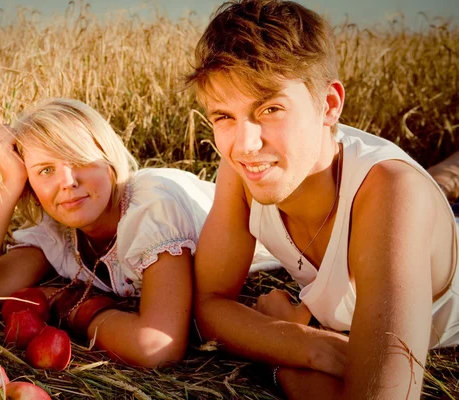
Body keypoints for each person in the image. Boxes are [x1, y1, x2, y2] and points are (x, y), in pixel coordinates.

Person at [186, 1, 459, 399]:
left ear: (329, 105)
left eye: (271, 108)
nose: (244, 145)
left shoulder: (394, 194)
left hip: (429, 229)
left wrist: (274, 358)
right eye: (224, 116)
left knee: (424, 186)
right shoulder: (243, 169)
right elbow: (208, 306)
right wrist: (308, 344)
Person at [0, 97, 278, 368]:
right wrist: (10, 184)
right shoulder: (56, 231)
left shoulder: (149, 207)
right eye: (45, 171)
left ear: (108, 162)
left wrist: (71, 303)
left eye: (79, 159)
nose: (67, 181)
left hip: (286, 242)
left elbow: (157, 347)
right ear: (31, 187)